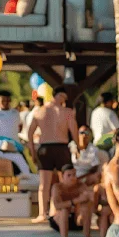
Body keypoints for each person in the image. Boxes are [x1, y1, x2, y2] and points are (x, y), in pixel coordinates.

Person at [30, 86, 77, 223]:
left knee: (45, 183)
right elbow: (73, 130)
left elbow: (30, 133)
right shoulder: (66, 112)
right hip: (60, 147)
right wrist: (78, 146)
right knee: (63, 182)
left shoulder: (39, 111)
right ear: (60, 96)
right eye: (64, 98)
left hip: (45, 148)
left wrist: (33, 151)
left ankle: (44, 213)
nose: (64, 101)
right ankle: (54, 211)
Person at [48, 165, 96, 237]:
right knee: (64, 210)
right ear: (63, 176)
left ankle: (87, 236)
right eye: (69, 175)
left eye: (74, 175)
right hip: (59, 221)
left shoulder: (80, 186)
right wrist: (76, 201)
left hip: (76, 220)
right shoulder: (57, 187)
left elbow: (91, 200)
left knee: (86, 207)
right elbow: (57, 205)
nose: (72, 178)